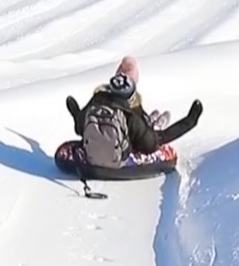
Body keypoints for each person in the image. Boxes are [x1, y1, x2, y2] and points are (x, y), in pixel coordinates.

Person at [64, 57, 203, 177]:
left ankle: (151, 122)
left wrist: (75, 111)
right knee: (150, 133)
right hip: (119, 155)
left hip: (92, 155)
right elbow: (151, 145)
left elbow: (79, 127)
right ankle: (155, 123)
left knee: (144, 128)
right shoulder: (131, 115)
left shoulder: (96, 102)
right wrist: (190, 121)